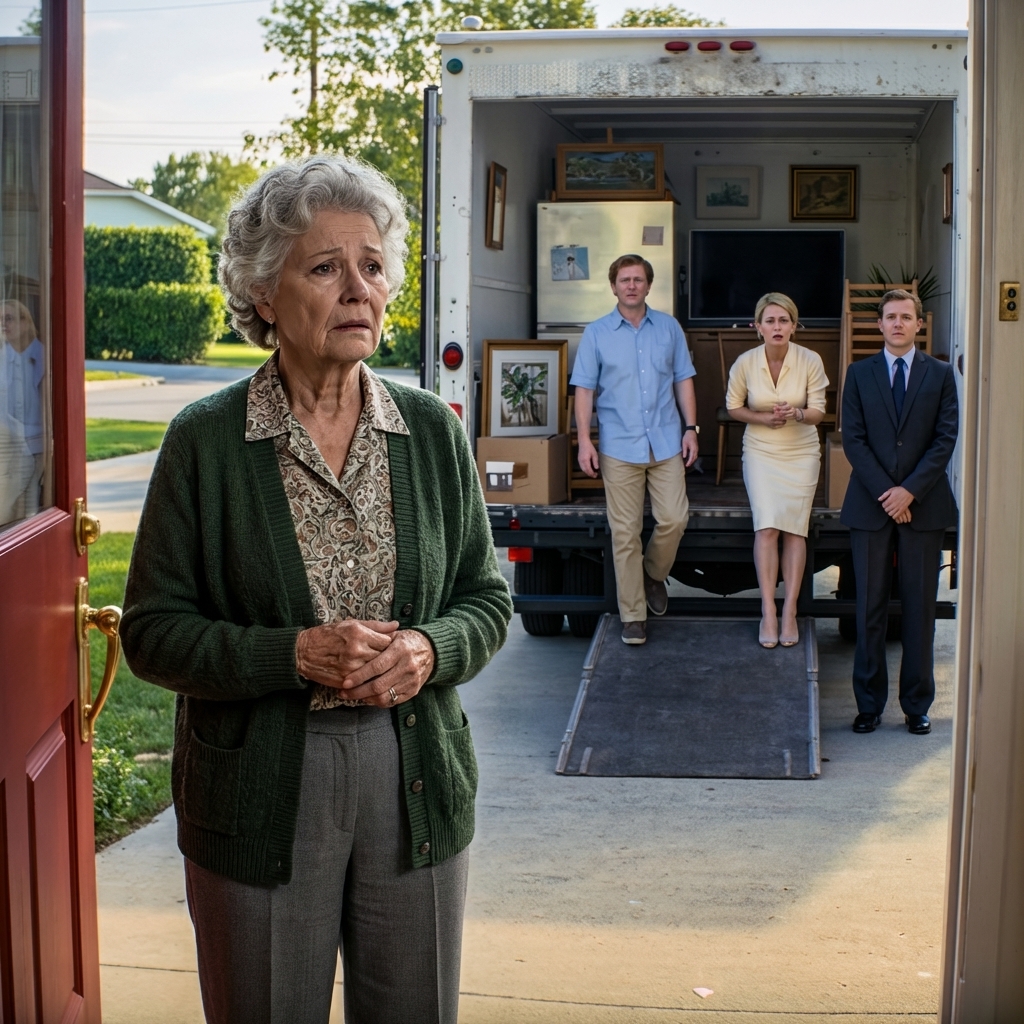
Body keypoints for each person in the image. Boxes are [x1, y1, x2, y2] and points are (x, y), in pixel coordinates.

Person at [120, 155, 513, 1024]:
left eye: (371, 266)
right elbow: (151, 631)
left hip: (413, 773)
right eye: (325, 267)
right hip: (263, 785)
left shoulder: (431, 433)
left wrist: (427, 648)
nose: (357, 290)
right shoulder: (207, 441)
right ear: (264, 294)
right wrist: (294, 653)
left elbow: (487, 600)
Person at [840, 288, 958, 736]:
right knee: (869, 608)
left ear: (919, 324)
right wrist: (888, 492)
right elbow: (853, 438)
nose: (897, 324)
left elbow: (944, 439)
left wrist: (908, 492)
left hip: (923, 506)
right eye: (890, 317)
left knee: (919, 609)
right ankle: (868, 705)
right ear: (879, 324)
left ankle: (916, 705)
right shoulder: (859, 373)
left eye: (906, 317)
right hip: (871, 506)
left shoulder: (941, 374)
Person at [571, 254, 698, 646]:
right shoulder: (596, 333)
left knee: (674, 519)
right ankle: (633, 616)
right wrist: (584, 440)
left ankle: (652, 575)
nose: (631, 285)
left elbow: (684, 381)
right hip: (619, 445)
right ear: (613, 287)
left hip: (665, 441)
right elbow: (585, 390)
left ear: (647, 285)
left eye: (638, 279)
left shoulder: (669, 328)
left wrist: (691, 429)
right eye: (624, 279)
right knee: (624, 533)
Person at [725, 293, 829, 648]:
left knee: (795, 531)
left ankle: (790, 612)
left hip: (801, 451)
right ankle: (768, 610)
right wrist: (764, 418)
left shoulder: (810, 360)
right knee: (767, 527)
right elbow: (733, 407)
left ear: (794, 326)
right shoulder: (744, 362)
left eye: (784, 320)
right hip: (761, 450)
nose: (777, 327)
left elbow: (818, 410)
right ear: (758, 327)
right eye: (770, 321)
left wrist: (797, 414)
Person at [0, 299, 45, 521]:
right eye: (0, 320)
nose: (3, 325)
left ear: (25, 322)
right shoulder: (2, 358)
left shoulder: (43, 356)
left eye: (8, 318)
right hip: (8, 448)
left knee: (30, 514)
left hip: (37, 447)